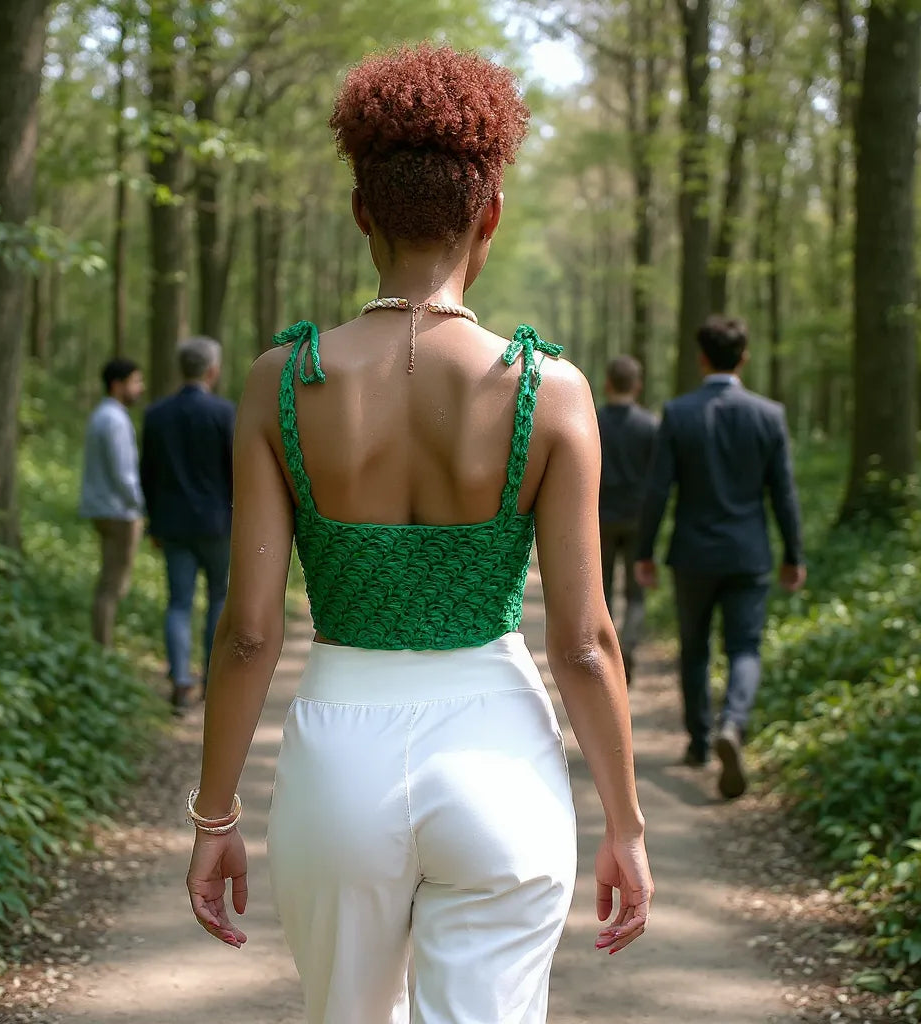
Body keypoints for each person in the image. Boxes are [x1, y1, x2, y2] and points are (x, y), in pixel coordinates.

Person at [183, 45, 653, 1024]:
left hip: (336, 767)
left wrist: (214, 813)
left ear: (363, 211)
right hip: (500, 762)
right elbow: (582, 640)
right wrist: (626, 823)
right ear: (490, 214)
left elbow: (250, 631)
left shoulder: (282, 380)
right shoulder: (550, 391)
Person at [634, 315, 805, 800]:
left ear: (702, 357)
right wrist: (794, 553)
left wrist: (644, 552)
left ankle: (699, 743)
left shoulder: (679, 413)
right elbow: (784, 494)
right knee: (745, 648)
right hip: (748, 553)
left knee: (695, 647)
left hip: (692, 552)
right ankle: (734, 722)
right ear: (743, 357)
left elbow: (657, 490)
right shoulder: (768, 415)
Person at [140, 337, 236, 713]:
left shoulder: (156, 414)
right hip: (217, 524)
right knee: (218, 598)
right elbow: (236, 471)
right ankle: (213, 680)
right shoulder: (224, 413)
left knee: (178, 603)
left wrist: (153, 523)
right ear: (212, 370)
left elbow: (146, 473)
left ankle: (181, 682)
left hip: (173, 524)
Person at [596, 355, 658, 686]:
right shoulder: (650, 426)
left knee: (601, 592)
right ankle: (628, 644)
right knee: (636, 595)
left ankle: (609, 657)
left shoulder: (593, 420)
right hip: (638, 519)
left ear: (607, 384)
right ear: (637, 385)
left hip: (600, 517)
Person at [79, 358, 145, 647]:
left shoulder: (101, 415)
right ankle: (102, 648)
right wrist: (141, 506)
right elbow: (124, 474)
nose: (139, 389)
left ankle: (102, 645)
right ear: (117, 385)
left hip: (103, 508)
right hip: (119, 512)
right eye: (135, 382)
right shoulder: (115, 420)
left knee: (109, 581)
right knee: (113, 585)